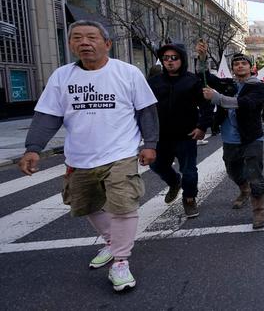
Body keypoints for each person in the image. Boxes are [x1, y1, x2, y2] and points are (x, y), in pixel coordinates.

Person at [18, 20, 158, 292]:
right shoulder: (61, 76)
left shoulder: (127, 73)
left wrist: (149, 143)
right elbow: (47, 116)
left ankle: (120, 260)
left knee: (123, 205)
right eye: (77, 38)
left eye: (92, 37)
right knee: (87, 204)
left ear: (107, 44)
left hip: (120, 153)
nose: (84, 42)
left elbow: (146, 111)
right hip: (79, 157)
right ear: (70, 45)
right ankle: (111, 242)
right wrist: (33, 148)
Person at [198, 44, 264, 229]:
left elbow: (246, 104)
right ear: (232, 68)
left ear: (250, 67)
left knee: (254, 174)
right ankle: (244, 189)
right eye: (236, 63)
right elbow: (204, 77)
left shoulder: (259, 87)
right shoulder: (227, 84)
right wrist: (202, 58)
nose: (240, 66)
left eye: (243, 63)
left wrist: (217, 98)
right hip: (229, 138)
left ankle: (259, 211)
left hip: (251, 137)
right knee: (233, 170)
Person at [148, 43, 213, 218]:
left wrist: (201, 127)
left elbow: (206, 106)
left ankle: (189, 199)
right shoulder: (153, 82)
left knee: (190, 172)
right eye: (166, 58)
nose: (169, 61)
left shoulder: (192, 81)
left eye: (174, 58)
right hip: (161, 136)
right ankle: (174, 181)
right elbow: (143, 107)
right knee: (157, 165)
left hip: (186, 135)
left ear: (182, 60)